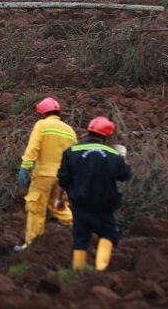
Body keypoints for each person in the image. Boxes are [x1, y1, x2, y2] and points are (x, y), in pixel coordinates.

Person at [58, 116, 132, 272]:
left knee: (80, 239)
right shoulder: (113, 154)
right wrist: (123, 159)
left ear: (89, 131)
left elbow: (63, 179)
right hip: (103, 206)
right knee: (109, 235)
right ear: (106, 135)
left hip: (79, 204)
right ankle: (100, 270)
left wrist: (59, 199)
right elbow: (125, 175)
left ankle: (78, 273)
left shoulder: (72, 151)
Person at [14, 97, 77, 252]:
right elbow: (74, 156)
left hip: (44, 175)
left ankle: (32, 244)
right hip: (62, 178)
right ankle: (81, 230)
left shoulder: (42, 125)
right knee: (59, 206)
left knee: (36, 207)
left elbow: (33, 147)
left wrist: (25, 167)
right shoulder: (69, 130)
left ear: (43, 112)